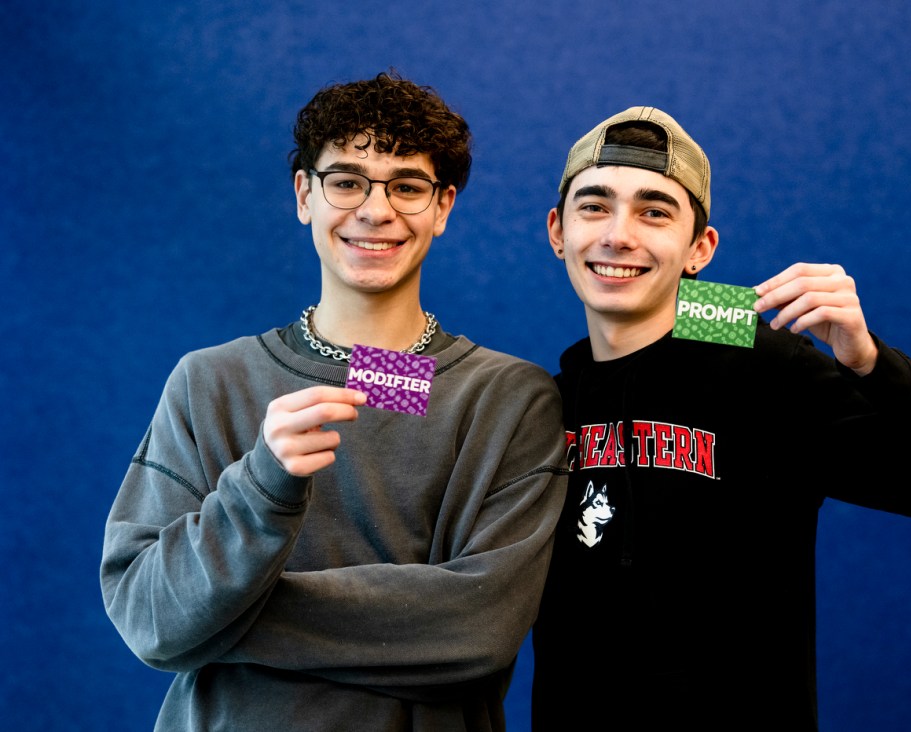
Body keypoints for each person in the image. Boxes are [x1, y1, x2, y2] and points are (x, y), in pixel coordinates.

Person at [100, 72, 568, 731]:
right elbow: (150, 618)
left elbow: (478, 632)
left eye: (407, 186)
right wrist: (261, 491)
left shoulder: (509, 398)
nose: (376, 212)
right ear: (304, 195)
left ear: (444, 207)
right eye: (346, 182)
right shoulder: (210, 382)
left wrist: (223, 619)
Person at [531, 106, 911, 730]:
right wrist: (361, 365)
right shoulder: (550, 396)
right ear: (557, 231)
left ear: (699, 249)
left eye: (655, 211)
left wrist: (869, 360)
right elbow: (438, 386)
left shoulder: (762, 362)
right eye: (594, 206)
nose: (618, 235)